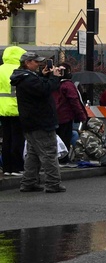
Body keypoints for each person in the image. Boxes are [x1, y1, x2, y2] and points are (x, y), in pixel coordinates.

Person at [10, 52, 66, 193]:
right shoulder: (28, 79)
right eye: (36, 62)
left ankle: (29, 182)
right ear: (28, 62)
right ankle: (53, 183)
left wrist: (43, 75)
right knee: (49, 153)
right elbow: (44, 89)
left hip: (30, 121)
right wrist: (54, 77)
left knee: (33, 153)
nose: (39, 64)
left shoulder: (24, 78)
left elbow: (39, 87)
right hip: (40, 121)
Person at [0, 45, 26, 177]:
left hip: (2, 109)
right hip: (17, 108)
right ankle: (17, 167)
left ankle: (6, 168)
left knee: (6, 139)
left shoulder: (0, 69)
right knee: (18, 139)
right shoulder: (19, 70)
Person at [52, 62, 87, 161]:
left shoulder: (52, 83)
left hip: (53, 116)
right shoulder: (68, 85)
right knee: (65, 139)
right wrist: (82, 116)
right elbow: (74, 101)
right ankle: (63, 159)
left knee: (55, 139)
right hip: (65, 117)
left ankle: (55, 159)